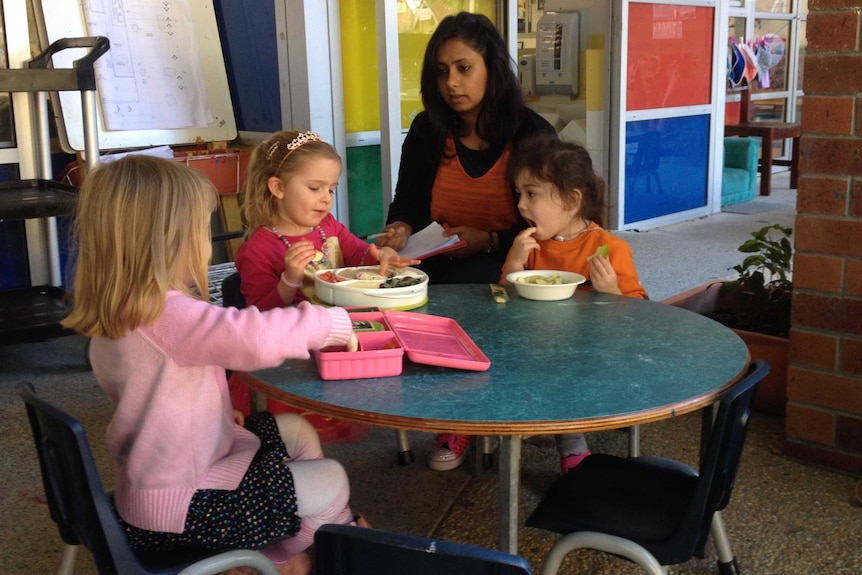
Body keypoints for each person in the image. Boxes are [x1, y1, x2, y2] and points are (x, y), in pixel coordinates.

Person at [61, 155, 367, 575]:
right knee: (332, 479)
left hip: (160, 479)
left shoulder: (120, 309)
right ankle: (276, 561)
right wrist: (328, 322)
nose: (207, 243)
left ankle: (291, 535)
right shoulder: (165, 315)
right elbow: (252, 336)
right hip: (185, 507)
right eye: (200, 230)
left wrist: (216, 414)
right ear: (167, 239)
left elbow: (155, 391)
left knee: (296, 432)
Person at [373, 11, 556, 472]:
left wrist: (492, 238)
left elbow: (553, 221)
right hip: (439, 255)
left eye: (463, 68)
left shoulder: (530, 132)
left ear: (492, 68)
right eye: (441, 71)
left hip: (514, 258)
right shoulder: (428, 129)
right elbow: (410, 203)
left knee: (471, 294)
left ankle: (467, 416)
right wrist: (399, 229)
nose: (451, 82)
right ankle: (452, 410)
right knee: (394, 288)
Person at [501, 134, 647, 474]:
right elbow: (502, 300)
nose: (521, 205)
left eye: (532, 194)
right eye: (519, 194)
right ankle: (471, 426)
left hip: (589, 353)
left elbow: (640, 317)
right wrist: (513, 267)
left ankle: (571, 444)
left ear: (571, 200)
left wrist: (611, 291)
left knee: (557, 370)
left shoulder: (608, 248)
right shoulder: (528, 245)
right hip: (533, 343)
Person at [236, 130, 418, 310]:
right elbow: (259, 315)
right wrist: (289, 280)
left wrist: (381, 254)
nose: (327, 198)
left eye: (331, 189)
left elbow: (359, 254)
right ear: (278, 187)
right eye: (315, 188)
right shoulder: (257, 250)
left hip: (346, 324)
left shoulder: (328, 225)